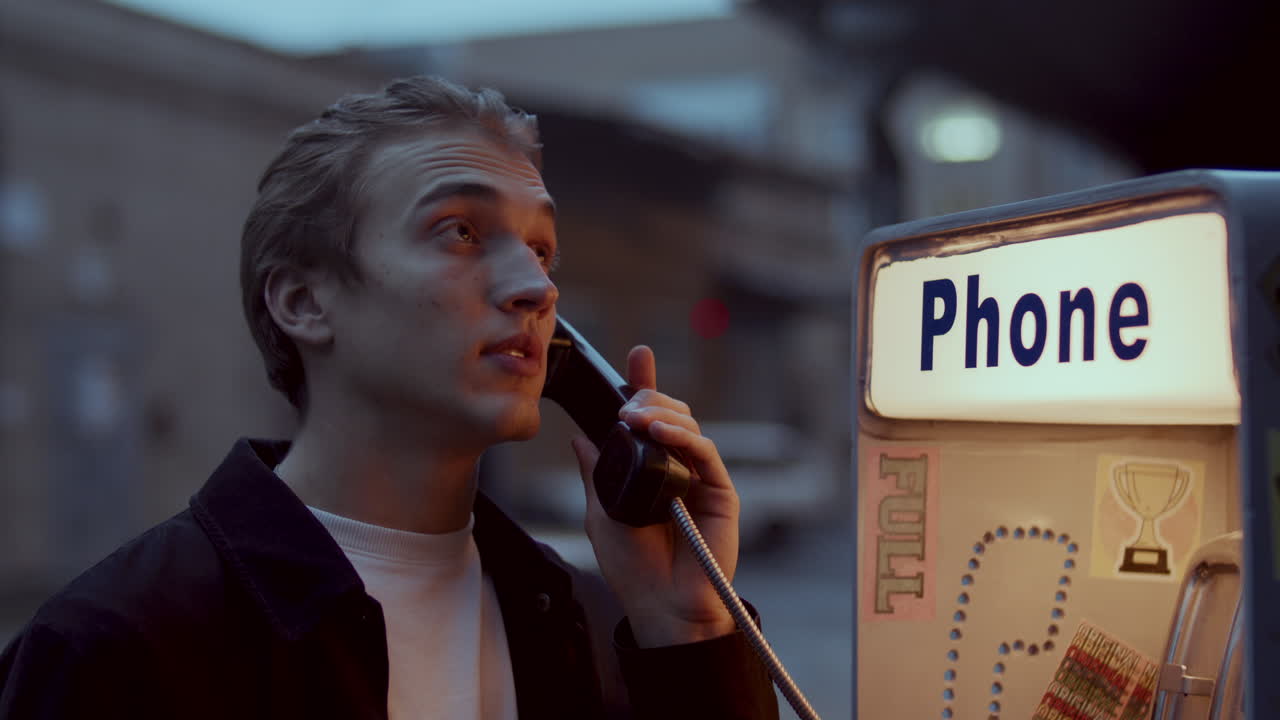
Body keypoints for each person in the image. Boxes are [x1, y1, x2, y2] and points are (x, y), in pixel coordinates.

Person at [0, 76, 779, 719]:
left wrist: (689, 632)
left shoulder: (593, 625)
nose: (537, 288)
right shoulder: (117, 648)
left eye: (542, 250)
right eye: (460, 231)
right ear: (304, 302)